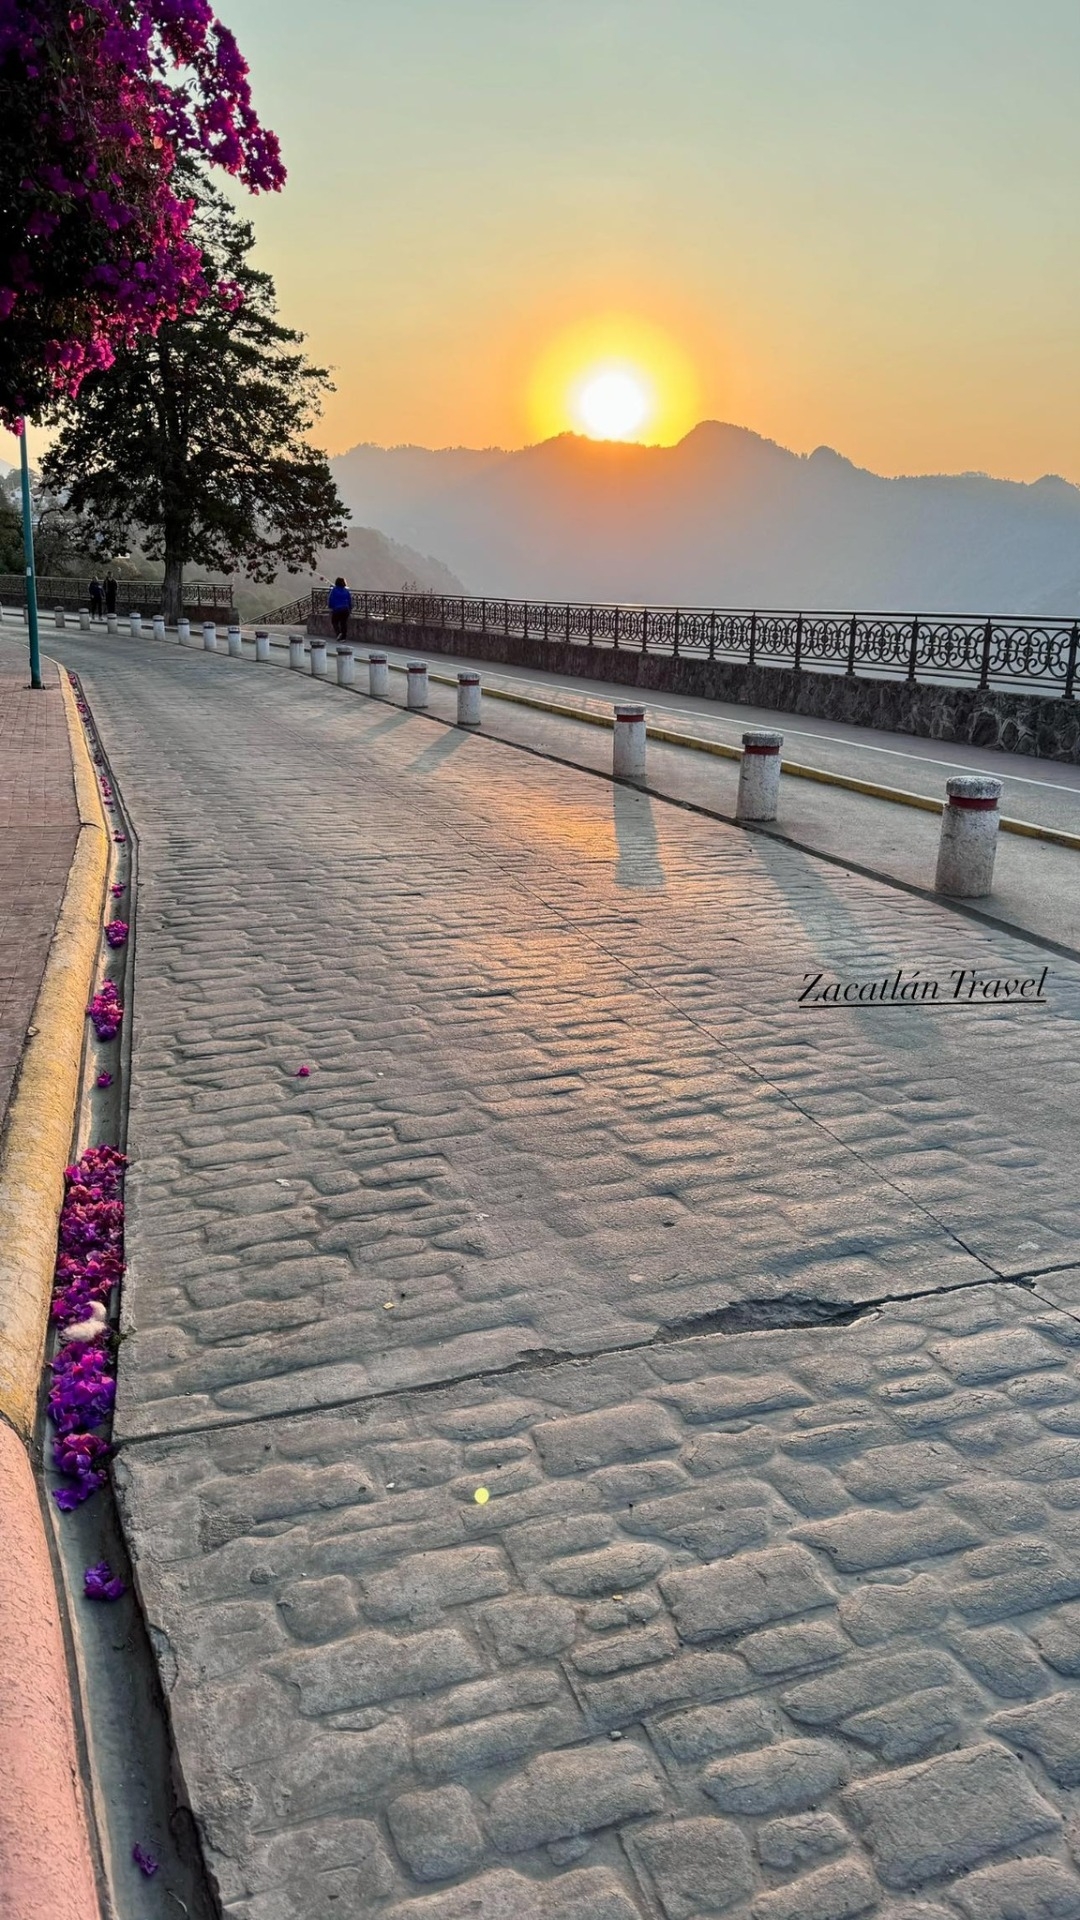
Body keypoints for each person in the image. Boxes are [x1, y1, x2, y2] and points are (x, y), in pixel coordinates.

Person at [327, 576, 353, 642]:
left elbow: (330, 599)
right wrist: (350, 609)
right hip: (345, 609)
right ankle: (343, 638)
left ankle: (339, 633)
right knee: (343, 623)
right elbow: (350, 600)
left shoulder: (334, 590)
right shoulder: (346, 591)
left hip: (337, 609)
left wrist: (330, 607)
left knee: (334, 621)